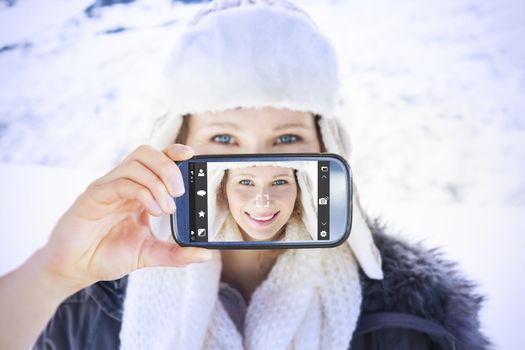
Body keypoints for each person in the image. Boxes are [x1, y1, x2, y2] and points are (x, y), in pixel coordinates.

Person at [0, 1, 490, 349]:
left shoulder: (419, 315)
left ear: (326, 148)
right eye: (224, 140)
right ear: (179, 146)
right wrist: (55, 271)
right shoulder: (90, 298)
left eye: (286, 140)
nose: (258, 168)